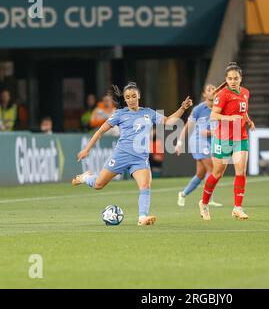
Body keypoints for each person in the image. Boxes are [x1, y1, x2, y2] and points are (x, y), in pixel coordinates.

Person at [72, 82, 193, 226]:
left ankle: (142, 217)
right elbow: (101, 130)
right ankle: (86, 178)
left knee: (145, 186)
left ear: (139, 96)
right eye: (127, 97)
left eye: (133, 96)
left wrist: (182, 108)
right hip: (121, 155)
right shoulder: (120, 114)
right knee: (98, 184)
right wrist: (87, 149)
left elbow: (168, 122)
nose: (131, 99)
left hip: (140, 159)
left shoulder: (148, 113)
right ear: (125, 98)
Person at [198, 62, 255, 221]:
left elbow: (243, 111)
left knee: (241, 171)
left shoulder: (245, 92)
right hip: (223, 139)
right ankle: (204, 203)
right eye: (230, 78)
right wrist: (230, 118)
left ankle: (237, 208)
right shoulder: (223, 94)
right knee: (218, 173)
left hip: (240, 137)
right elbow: (213, 116)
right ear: (226, 79)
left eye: (235, 78)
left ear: (241, 78)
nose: (233, 81)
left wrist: (248, 120)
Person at [175, 84, 222, 208]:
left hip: (208, 141)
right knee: (212, 169)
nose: (212, 91)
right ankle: (209, 200)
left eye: (214, 89)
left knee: (201, 174)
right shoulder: (199, 109)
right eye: (209, 90)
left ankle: (183, 194)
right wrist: (180, 142)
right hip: (198, 141)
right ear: (204, 95)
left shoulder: (219, 109)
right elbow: (188, 126)